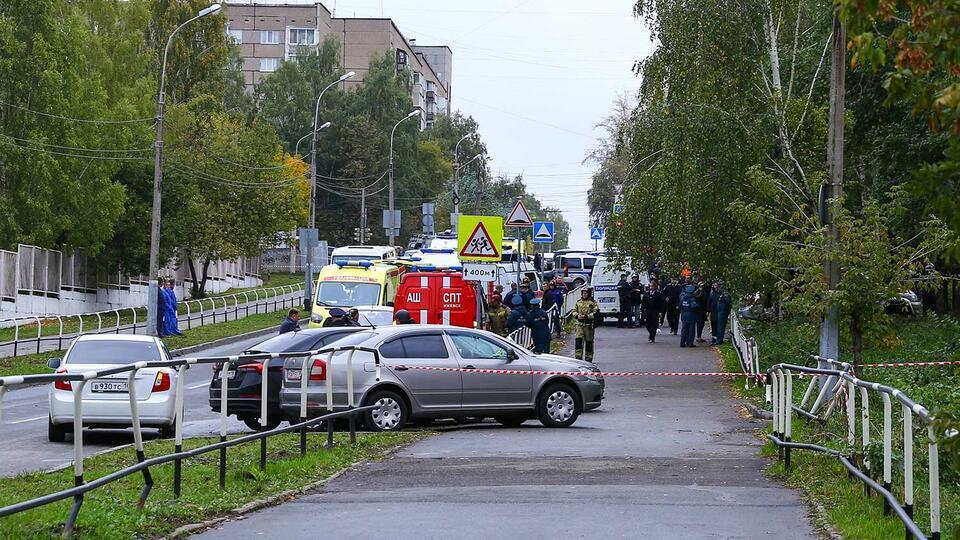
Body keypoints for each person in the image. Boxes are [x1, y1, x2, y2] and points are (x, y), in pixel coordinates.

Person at [573, 287, 600, 361]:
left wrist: (587, 316)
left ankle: (588, 358)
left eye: (586, 293)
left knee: (589, 342)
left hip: (589, 326)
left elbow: (596, 313)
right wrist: (577, 315)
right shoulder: (578, 302)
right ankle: (578, 358)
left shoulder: (593, 303)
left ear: (589, 294)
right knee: (578, 341)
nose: (584, 295)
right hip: (579, 325)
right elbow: (574, 311)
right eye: (583, 293)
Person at [678, 283, 700, 347]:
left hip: (684, 314)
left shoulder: (683, 297)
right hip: (691, 315)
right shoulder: (691, 298)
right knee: (691, 330)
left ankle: (682, 342)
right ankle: (690, 343)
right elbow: (694, 306)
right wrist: (698, 305)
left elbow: (680, 306)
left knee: (684, 329)